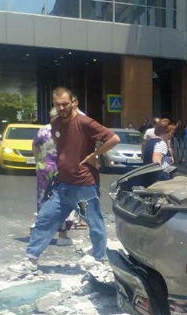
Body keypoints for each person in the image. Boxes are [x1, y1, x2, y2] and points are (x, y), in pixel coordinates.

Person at [10, 88, 119, 273]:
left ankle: (100, 260)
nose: (61, 108)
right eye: (57, 104)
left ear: (74, 103)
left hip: (83, 187)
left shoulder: (85, 122)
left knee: (94, 223)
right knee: (45, 218)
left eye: (65, 104)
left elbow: (114, 138)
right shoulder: (55, 123)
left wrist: (94, 155)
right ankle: (31, 260)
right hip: (62, 187)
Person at [32, 108, 77, 247]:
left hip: (44, 169)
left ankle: (43, 234)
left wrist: (39, 162)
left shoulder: (43, 130)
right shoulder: (68, 130)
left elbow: (34, 148)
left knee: (43, 199)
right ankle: (63, 235)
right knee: (64, 200)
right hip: (62, 170)